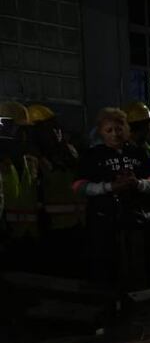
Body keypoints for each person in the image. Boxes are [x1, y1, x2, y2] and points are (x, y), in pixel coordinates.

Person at [74, 107, 150, 297]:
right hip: (104, 224)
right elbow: (79, 186)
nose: (115, 134)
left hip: (135, 222)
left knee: (138, 271)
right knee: (108, 272)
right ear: (101, 131)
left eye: (119, 129)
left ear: (126, 129)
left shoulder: (139, 153)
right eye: (109, 130)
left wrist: (137, 184)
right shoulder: (93, 156)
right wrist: (109, 187)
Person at [27, 104, 84, 276]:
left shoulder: (63, 153)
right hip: (58, 227)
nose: (55, 132)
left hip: (64, 227)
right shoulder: (38, 157)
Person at [0, 102, 41, 259]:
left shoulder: (29, 160)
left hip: (28, 238)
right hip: (6, 238)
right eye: (18, 128)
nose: (23, 135)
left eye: (24, 130)